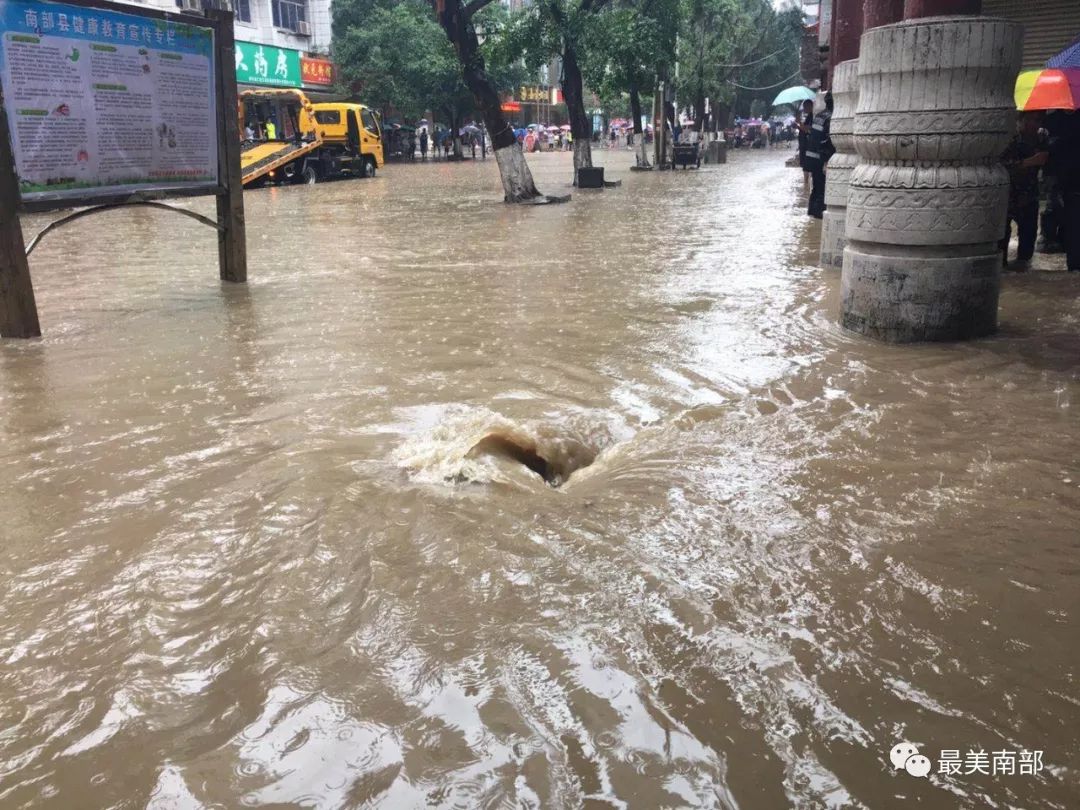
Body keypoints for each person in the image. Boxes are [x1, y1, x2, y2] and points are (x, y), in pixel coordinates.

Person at [999, 111, 1049, 270]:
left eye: (1038, 120)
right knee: (1001, 242)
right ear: (1020, 121)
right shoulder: (1009, 139)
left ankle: (1023, 271)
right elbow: (1002, 167)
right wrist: (1028, 162)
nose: (1034, 124)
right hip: (1008, 195)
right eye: (1031, 120)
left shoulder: (1042, 138)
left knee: (1028, 241)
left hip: (1030, 194)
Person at [804, 92, 835, 219]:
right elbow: (827, 141)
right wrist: (826, 160)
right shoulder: (830, 118)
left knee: (816, 188)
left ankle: (812, 214)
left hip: (812, 159)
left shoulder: (819, 116)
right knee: (822, 189)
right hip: (821, 159)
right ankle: (819, 216)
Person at [797, 100, 812, 190]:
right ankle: (806, 183)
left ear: (810, 106)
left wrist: (799, 123)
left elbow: (808, 129)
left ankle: (806, 183)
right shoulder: (809, 117)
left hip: (807, 144)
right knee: (804, 164)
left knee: (806, 164)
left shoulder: (812, 116)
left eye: (805, 107)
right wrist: (798, 125)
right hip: (803, 144)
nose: (804, 109)